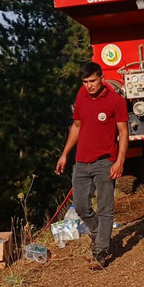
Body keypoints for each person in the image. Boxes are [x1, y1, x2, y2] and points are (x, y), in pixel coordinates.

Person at [56, 61, 128, 268]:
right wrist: (64, 155)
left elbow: (123, 132)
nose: (89, 85)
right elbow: (76, 126)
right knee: (80, 206)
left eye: (93, 81)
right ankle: (100, 235)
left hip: (105, 162)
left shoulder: (115, 101)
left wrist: (119, 161)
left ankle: (101, 251)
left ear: (102, 79)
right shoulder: (81, 95)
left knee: (105, 209)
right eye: (85, 82)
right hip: (81, 162)